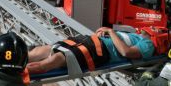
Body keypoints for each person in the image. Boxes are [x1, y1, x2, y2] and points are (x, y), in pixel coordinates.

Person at [27, 27, 155, 74]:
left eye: (155, 28)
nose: (151, 26)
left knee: (57, 58)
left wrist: (110, 32)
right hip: (91, 42)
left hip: (98, 52)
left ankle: (15, 70)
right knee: (45, 49)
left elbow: (126, 52)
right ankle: (14, 59)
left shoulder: (148, 44)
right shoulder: (135, 34)